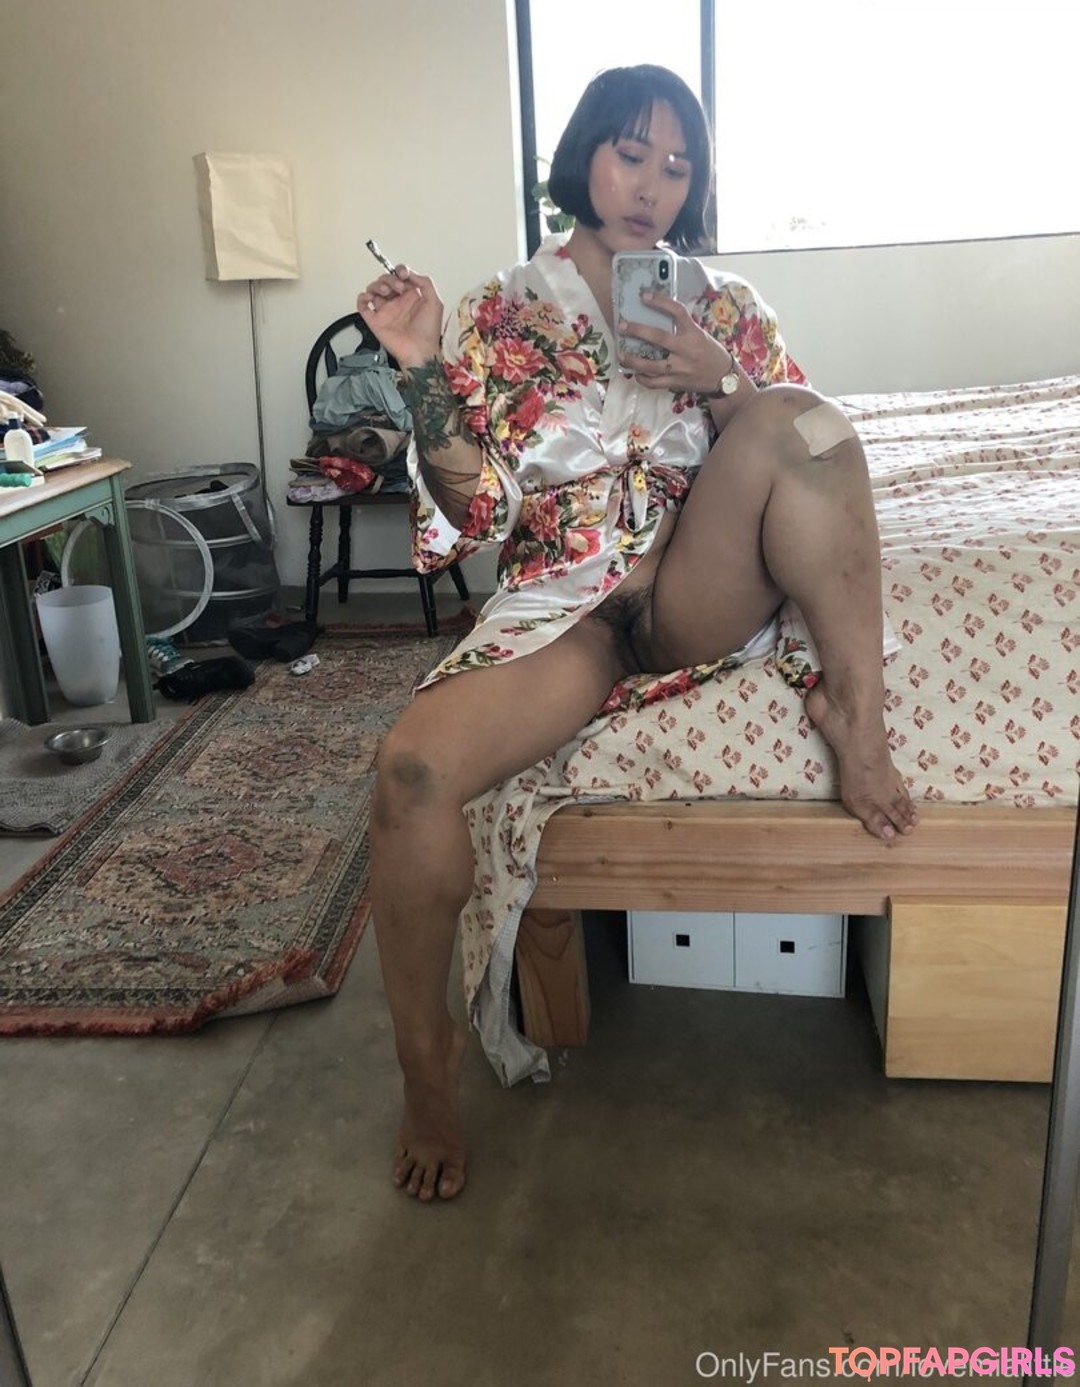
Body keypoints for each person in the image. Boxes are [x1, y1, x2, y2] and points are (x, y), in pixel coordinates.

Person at [357, 64, 918, 1204]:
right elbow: (473, 513)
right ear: (584, 158)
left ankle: (855, 719)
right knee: (409, 774)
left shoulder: (727, 304)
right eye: (629, 154)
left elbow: (809, 457)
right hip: (569, 607)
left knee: (803, 419)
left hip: (698, 580)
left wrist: (725, 382)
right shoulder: (503, 310)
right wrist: (420, 365)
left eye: (677, 164)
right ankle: (427, 1070)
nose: (652, 185)